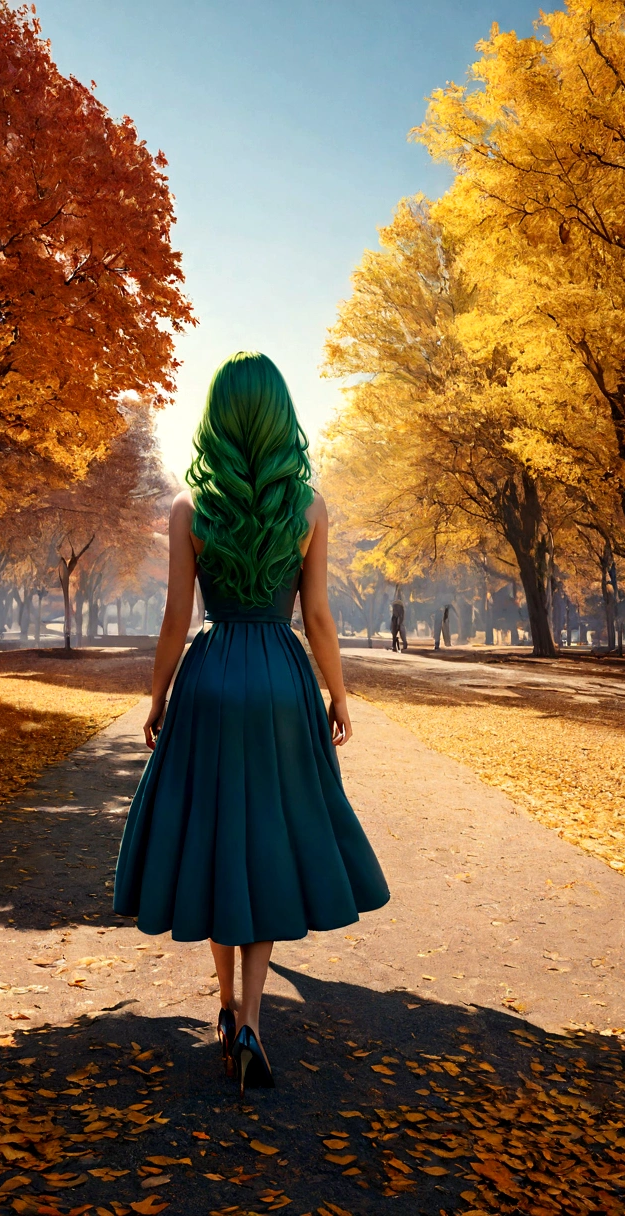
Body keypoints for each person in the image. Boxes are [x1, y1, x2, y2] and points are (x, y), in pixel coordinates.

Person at [113, 352, 390, 1098]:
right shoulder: (308, 507)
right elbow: (321, 620)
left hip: (210, 678)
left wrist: (158, 697)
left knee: (215, 836)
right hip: (279, 677)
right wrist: (338, 695)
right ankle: (253, 1023)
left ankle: (225, 999)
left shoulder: (188, 509)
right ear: (278, 415)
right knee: (266, 835)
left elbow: (176, 618)